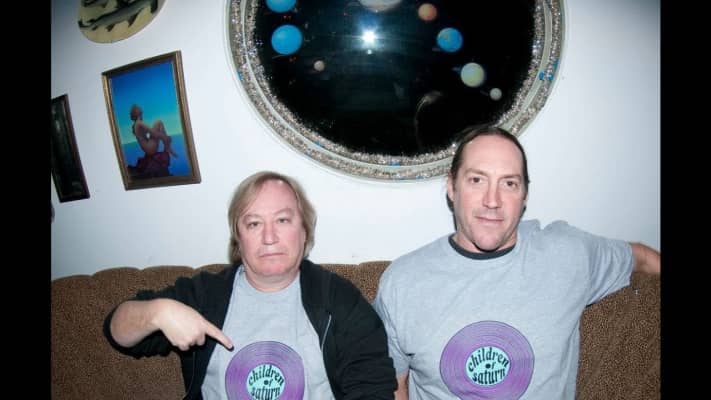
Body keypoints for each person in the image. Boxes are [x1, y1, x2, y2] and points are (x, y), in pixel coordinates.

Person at [372, 125, 660, 399]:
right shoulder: (404, 283)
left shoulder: (568, 254)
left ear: (524, 196)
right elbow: (390, 384)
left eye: (509, 183)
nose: (492, 200)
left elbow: (643, 258)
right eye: (477, 180)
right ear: (451, 187)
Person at [104, 171, 397, 399]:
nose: (269, 237)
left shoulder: (340, 300)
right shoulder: (205, 295)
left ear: (304, 231)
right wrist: (157, 312)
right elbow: (117, 332)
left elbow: (373, 389)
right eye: (254, 223)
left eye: (283, 220)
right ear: (238, 237)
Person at [127, 104, 178, 178]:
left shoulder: (137, 124)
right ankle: (168, 147)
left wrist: (164, 137)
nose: (140, 108)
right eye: (137, 108)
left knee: (158, 123)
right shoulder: (139, 122)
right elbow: (154, 134)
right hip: (150, 149)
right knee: (158, 122)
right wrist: (165, 137)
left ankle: (167, 147)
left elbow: (151, 134)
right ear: (136, 112)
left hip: (148, 148)